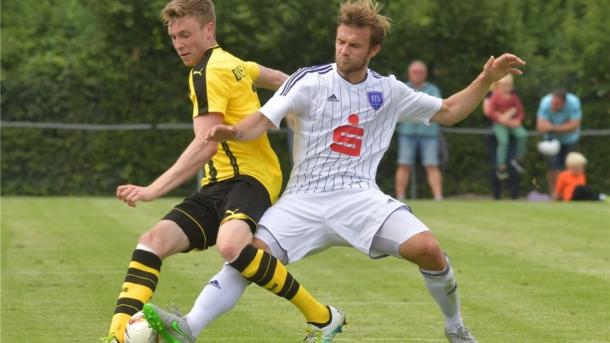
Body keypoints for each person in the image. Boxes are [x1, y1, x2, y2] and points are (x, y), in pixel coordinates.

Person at [144, 0, 525, 342]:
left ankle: (455, 326)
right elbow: (260, 121)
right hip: (303, 199)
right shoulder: (308, 81)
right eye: (340, 41)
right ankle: (189, 327)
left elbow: (450, 111)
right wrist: (233, 131)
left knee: (428, 249)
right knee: (246, 256)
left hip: (360, 196)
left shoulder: (388, 91)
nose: (344, 50)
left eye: (354, 45)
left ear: (373, 49)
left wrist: (486, 79)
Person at [102, 0, 293, 341]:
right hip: (219, 184)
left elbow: (207, 145)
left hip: (250, 179)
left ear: (209, 30)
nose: (179, 44)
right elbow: (282, 80)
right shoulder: (234, 63)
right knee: (151, 242)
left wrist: (152, 189)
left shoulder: (208, 72)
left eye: (186, 34)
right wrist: (307, 109)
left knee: (231, 246)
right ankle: (117, 336)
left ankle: (321, 316)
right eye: (174, 36)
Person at [394, 60, 444, 200]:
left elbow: (437, 109)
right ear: (409, 74)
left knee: (432, 165)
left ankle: (438, 197)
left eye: (420, 72)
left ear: (425, 74)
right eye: (414, 72)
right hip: (406, 133)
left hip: (429, 134)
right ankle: (400, 197)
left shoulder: (433, 89)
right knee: (404, 164)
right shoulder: (402, 88)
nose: (417, 75)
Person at [536, 89, 582, 193]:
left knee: (569, 167)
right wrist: (561, 127)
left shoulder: (574, 102)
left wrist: (551, 127)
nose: (553, 106)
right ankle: (554, 194)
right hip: (552, 140)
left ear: (564, 103)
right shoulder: (546, 102)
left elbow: (574, 126)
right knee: (553, 167)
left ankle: (567, 192)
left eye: (556, 104)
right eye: (552, 102)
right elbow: (540, 127)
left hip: (570, 139)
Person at [486, 74, 527, 180]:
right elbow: (490, 112)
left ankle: (519, 159)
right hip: (499, 124)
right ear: (498, 85)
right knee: (503, 141)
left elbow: (520, 111)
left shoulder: (514, 98)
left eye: (509, 85)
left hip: (511, 123)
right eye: (504, 85)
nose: (507, 87)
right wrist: (501, 118)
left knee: (523, 135)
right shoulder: (495, 96)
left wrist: (517, 120)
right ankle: (501, 166)